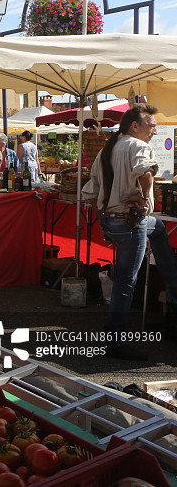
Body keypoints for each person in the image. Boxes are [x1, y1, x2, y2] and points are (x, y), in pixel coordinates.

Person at [82, 104, 177, 361]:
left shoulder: (105, 150)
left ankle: (173, 281)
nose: (155, 131)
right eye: (151, 126)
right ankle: (115, 341)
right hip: (129, 222)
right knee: (125, 284)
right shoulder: (138, 146)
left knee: (157, 227)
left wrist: (104, 219)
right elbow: (145, 173)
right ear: (135, 126)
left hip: (113, 222)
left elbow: (91, 192)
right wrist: (143, 197)